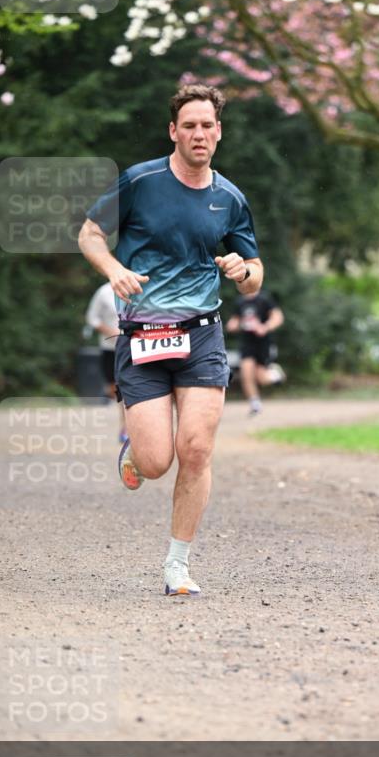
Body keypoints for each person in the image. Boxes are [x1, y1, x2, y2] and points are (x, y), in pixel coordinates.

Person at [78, 83, 263, 598]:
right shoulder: (140, 181)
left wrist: (241, 269)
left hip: (202, 334)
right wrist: (113, 268)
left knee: (197, 449)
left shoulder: (229, 198)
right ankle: (136, 452)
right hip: (142, 337)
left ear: (219, 132)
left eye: (208, 125)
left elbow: (255, 275)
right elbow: (90, 233)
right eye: (190, 125)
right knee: (158, 462)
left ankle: (177, 564)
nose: (199, 134)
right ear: (173, 131)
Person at [226, 290, 285, 415]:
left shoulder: (264, 299)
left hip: (263, 343)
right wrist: (232, 325)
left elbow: (278, 317)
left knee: (262, 378)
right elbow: (235, 320)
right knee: (246, 372)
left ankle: (276, 374)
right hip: (247, 343)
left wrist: (265, 327)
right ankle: (255, 404)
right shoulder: (240, 302)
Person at [85, 281, 126, 441]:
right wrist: (111, 332)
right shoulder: (104, 292)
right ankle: (125, 425)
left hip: (133, 346)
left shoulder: (139, 287)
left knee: (127, 387)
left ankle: (127, 428)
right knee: (115, 389)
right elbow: (92, 318)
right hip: (110, 348)